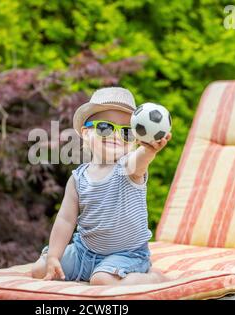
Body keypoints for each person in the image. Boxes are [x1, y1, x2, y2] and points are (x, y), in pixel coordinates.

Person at [32, 87, 171, 285]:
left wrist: (148, 150)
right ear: (85, 133)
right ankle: (92, 269)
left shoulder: (128, 167)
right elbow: (65, 220)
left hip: (127, 254)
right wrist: (54, 255)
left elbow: (141, 159)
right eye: (105, 127)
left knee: (102, 280)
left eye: (126, 132)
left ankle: (153, 278)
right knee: (39, 269)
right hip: (85, 252)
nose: (116, 135)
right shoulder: (78, 179)